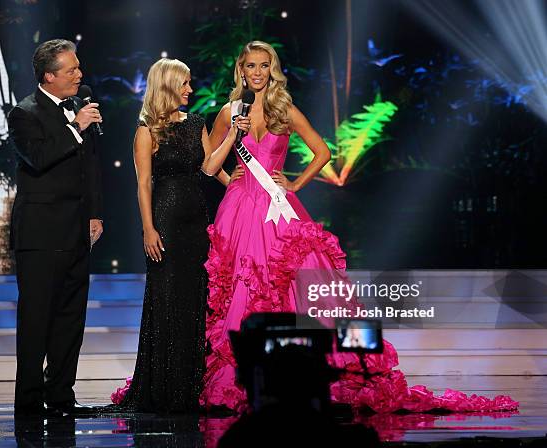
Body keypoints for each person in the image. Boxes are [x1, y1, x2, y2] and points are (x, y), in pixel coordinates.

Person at [200, 41, 518, 414]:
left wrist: (295, 183)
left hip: (276, 207)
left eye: (264, 66)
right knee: (242, 281)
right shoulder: (228, 112)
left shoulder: (284, 110)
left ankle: (306, 367)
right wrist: (230, 180)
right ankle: (242, 370)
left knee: (296, 279)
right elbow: (207, 162)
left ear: (272, 70)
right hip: (239, 209)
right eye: (250, 66)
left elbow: (322, 151)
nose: (257, 72)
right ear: (241, 69)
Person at [111, 58, 249, 413]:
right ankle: (165, 388)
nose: (190, 89)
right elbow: (143, 184)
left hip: (195, 222)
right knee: (168, 301)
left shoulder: (196, 123)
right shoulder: (147, 131)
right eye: (185, 83)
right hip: (166, 222)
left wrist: (232, 145)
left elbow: (207, 166)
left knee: (194, 301)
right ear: (168, 85)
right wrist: (148, 228)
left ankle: (190, 387)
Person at [8, 39, 103, 416]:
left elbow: (91, 166)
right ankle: (29, 401)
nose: (80, 75)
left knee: (70, 318)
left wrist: (96, 213)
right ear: (49, 76)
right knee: (36, 320)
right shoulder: (24, 113)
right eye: (71, 70)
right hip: (40, 235)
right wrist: (76, 127)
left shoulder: (82, 106)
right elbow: (38, 158)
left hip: (77, 230)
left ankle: (61, 394)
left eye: (78, 68)